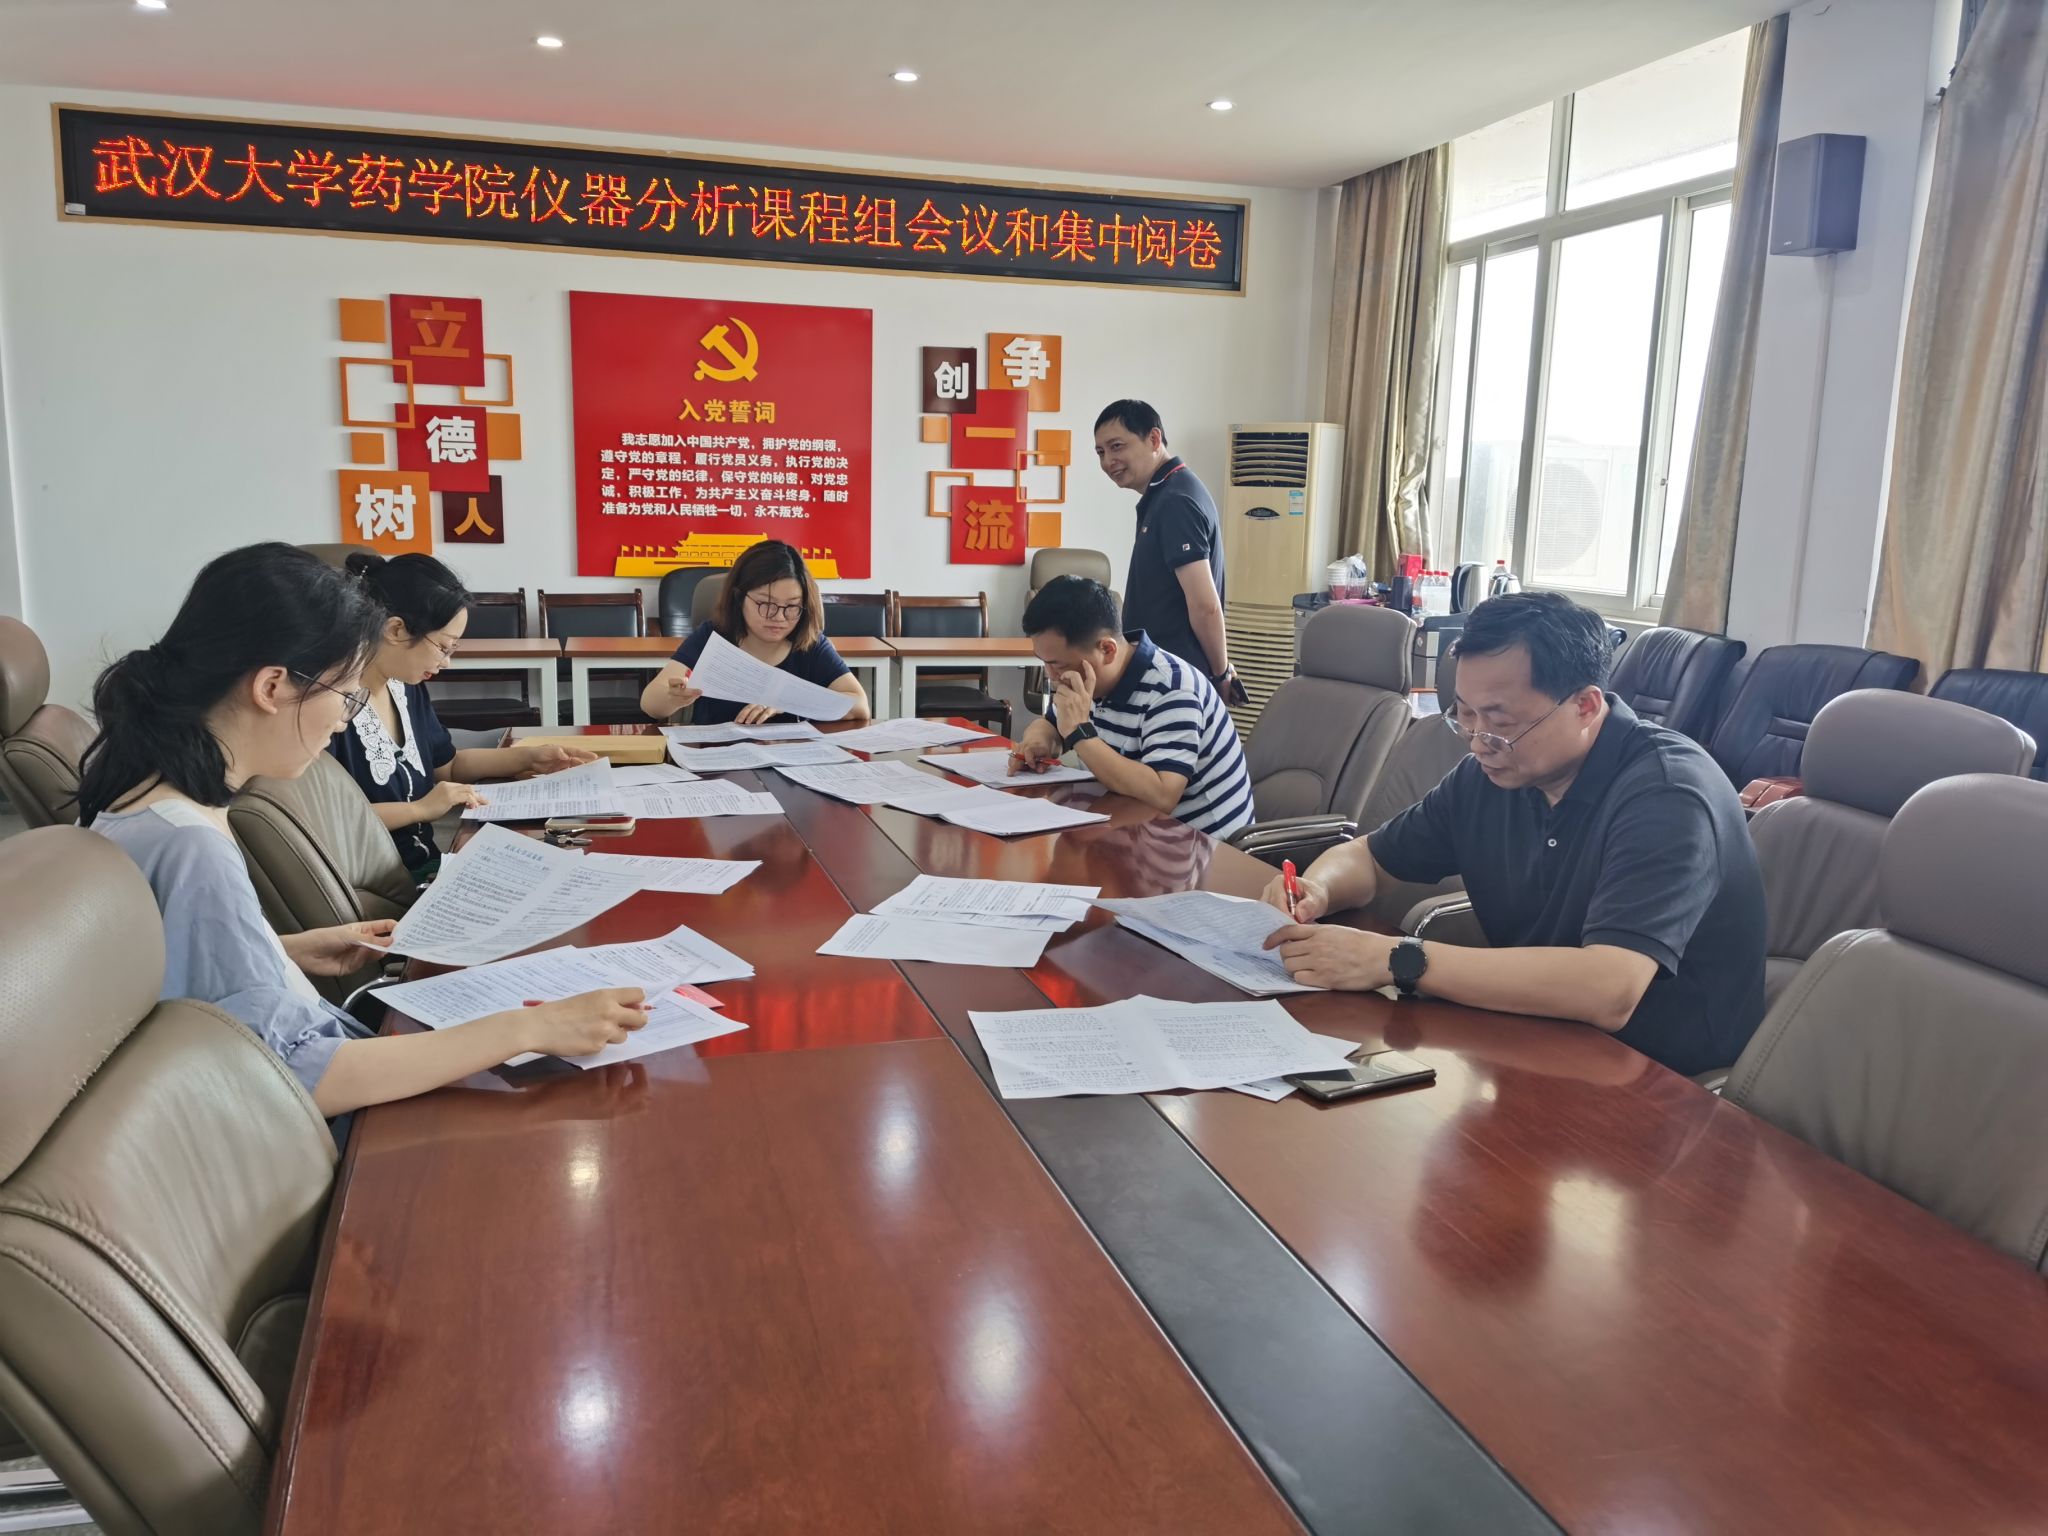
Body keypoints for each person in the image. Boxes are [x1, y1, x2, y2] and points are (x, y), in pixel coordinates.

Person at [79, 542, 648, 1122]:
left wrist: (280, 950)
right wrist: (529, 1028)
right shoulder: (190, 846)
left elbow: (175, 974)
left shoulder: (152, 798)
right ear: (271, 687)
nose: (344, 719)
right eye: (346, 695)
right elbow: (297, 1076)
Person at [1257, 592, 1767, 1076]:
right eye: (1465, 713)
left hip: (1657, 1081)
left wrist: (1395, 959)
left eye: (1500, 721)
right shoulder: (1492, 774)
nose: (1478, 742)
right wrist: (1317, 887)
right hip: (1531, 1038)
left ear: (1585, 706)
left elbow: (1610, 989)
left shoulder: (1668, 795)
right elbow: (1372, 858)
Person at [335, 551, 597, 878]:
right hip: (377, 881)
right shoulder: (329, 708)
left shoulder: (404, 686)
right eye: (444, 647)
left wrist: (529, 758)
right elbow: (324, 821)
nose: (447, 662)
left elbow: (448, 766)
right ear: (396, 630)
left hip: (429, 866)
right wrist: (419, 809)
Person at [1008, 574, 1253, 837]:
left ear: (1107, 650)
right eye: (1043, 662)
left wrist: (1080, 733)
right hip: (1127, 827)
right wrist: (1037, 741)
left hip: (1202, 846)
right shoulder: (1087, 676)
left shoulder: (1172, 690)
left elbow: (1162, 795)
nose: (1051, 675)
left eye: (1057, 664)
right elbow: (1051, 725)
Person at [1093, 399, 1238, 698]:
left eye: (1117, 446)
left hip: (1175, 679)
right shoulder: (1166, 493)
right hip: (1160, 671)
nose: (1108, 461)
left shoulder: (1176, 501)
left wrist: (1221, 673)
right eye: (1101, 452)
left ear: (1154, 439)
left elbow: (1205, 605)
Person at [640, 539, 869, 725]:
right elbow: (650, 703)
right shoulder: (714, 637)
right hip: (719, 758)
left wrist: (788, 701)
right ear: (739, 598)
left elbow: (860, 706)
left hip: (791, 759)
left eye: (792, 606)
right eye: (766, 604)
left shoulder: (810, 644)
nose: (779, 617)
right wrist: (673, 697)